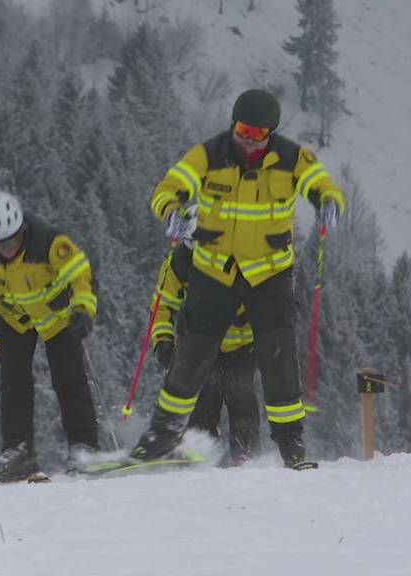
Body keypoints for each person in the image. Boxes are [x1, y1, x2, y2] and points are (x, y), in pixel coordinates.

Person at [132, 88, 346, 469]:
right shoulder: (208, 155)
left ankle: (291, 446)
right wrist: (171, 211)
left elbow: (321, 183)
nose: (248, 138)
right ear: (233, 124)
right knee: (191, 355)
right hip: (215, 269)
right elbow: (168, 188)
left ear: (271, 134)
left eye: (258, 133)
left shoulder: (291, 158)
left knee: (279, 358)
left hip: (269, 272)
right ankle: (161, 435)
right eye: (243, 129)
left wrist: (329, 202)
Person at [0, 191, 100, 481]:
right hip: (13, 318)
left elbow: (80, 274)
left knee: (69, 379)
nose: (6, 249)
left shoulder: (48, 241)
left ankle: (83, 446)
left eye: (11, 241)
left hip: (57, 317)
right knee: (13, 384)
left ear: (22, 229)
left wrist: (83, 309)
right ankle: (18, 450)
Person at [151, 242, 260, 466]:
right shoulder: (180, 261)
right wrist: (162, 340)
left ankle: (247, 459)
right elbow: (162, 305)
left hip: (240, 346)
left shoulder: (243, 249)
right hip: (198, 348)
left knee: (242, 403)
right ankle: (200, 459)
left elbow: (268, 294)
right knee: (201, 408)